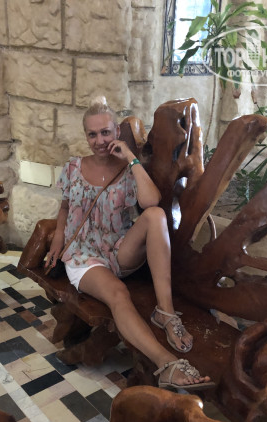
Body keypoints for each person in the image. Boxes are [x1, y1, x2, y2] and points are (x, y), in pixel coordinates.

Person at [45, 96, 214, 391]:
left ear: (116, 132)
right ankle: (166, 363)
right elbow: (65, 207)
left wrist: (132, 159)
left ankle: (165, 312)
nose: (99, 140)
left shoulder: (127, 170)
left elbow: (151, 202)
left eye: (105, 132)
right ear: (86, 136)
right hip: (85, 256)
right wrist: (59, 237)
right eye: (92, 134)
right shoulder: (73, 167)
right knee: (118, 294)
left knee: (156, 216)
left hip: (118, 248)